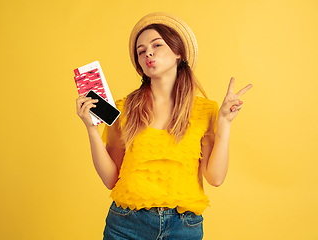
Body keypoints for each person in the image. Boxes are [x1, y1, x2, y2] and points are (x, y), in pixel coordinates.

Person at [76, 12, 252, 240]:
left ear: (178, 53)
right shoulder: (124, 108)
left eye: (156, 45)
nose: (148, 52)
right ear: (140, 64)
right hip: (126, 225)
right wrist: (91, 129)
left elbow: (215, 178)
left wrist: (225, 124)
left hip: (183, 227)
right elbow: (111, 179)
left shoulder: (206, 110)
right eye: (141, 51)